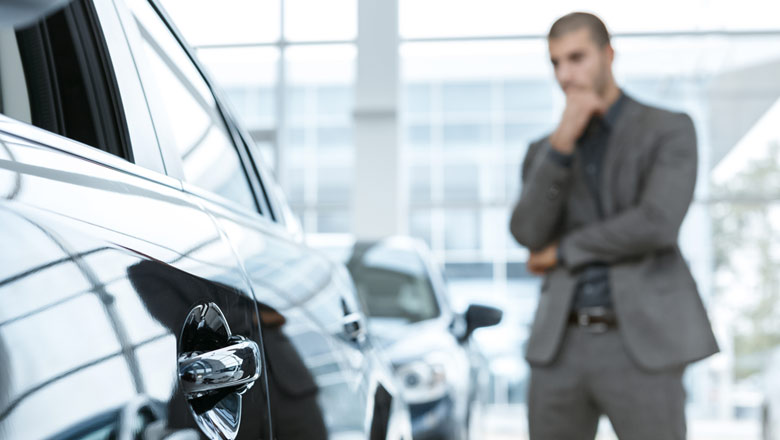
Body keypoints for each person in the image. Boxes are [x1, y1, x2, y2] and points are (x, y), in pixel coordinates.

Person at [509, 12, 719, 440]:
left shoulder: (668, 130)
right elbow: (527, 233)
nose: (565, 75)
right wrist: (561, 145)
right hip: (559, 346)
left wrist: (562, 251)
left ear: (608, 55)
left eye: (577, 58)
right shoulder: (544, 151)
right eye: (556, 63)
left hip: (642, 341)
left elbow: (656, 223)